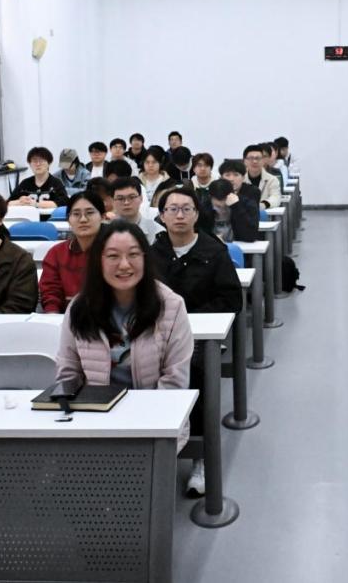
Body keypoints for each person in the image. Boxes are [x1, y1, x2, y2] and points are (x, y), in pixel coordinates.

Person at [54, 220, 194, 455]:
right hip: (94, 419)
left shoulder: (171, 306)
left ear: (145, 258)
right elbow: (68, 372)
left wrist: (137, 423)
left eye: (133, 255)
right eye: (112, 256)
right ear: (98, 261)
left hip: (154, 420)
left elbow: (175, 380)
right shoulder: (79, 307)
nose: (124, 265)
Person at [151, 186, 242, 495]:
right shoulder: (152, 253)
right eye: (172, 209)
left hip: (198, 335)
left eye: (186, 209)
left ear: (196, 214)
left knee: (194, 370)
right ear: (162, 216)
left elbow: (231, 298)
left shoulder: (213, 250)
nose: (179, 215)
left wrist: (187, 319)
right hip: (157, 333)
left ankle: (200, 455)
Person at [40, 191, 104, 313]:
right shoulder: (56, 253)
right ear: (68, 219)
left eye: (90, 213)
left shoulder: (113, 251)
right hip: (65, 318)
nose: (83, 219)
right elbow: (51, 294)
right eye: (76, 214)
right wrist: (53, 316)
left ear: (103, 216)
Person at [200, 178, 261, 242]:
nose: (222, 211)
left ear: (233, 196)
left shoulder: (247, 205)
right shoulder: (204, 207)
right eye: (218, 207)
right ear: (210, 198)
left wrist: (236, 207)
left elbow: (251, 236)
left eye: (226, 207)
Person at [111, 177, 161, 244]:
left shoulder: (157, 231)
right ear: (112, 201)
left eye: (131, 197)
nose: (126, 202)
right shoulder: (104, 230)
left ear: (141, 198)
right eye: (120, 198)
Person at [242, 144, 282, 209]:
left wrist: (263, 205)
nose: (255, 161)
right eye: (251, 158)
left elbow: (276, 198)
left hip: (264, 212)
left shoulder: (272, 179)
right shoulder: (239, 179)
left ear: (263, 161)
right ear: (244, 161)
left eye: (258, 158)